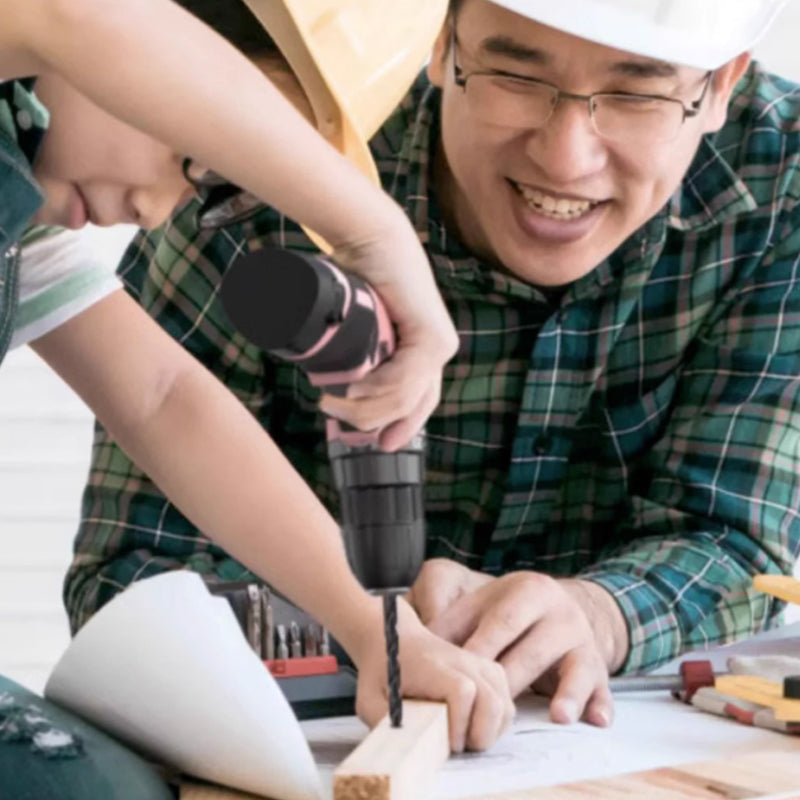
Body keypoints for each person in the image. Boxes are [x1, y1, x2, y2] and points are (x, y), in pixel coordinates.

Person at [69, 0, 800, 732]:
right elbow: (134, 582)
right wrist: (368, 631)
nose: (565, 159)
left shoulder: (783, 181)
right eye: (515, 75)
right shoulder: (270, 153)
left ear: (721, 85)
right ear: (442, 39)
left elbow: (739, 541)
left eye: (637, 95)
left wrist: (599, 614)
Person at [1, 0, 516, 758]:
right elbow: (67, 15)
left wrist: (382, 633)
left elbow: (163, 400)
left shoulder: (25, 236)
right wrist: (374, 230)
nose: (154, 214)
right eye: (197, 155)